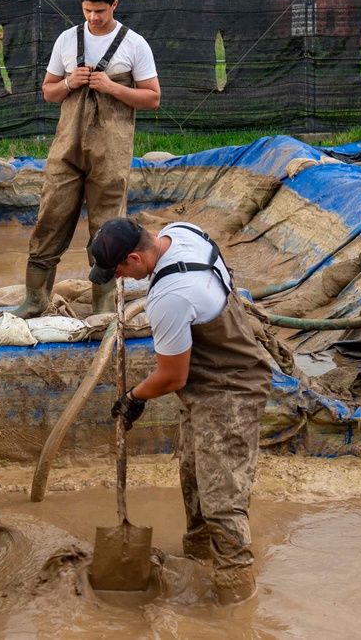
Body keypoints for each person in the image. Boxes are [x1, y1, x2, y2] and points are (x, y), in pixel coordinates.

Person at [89, 217, 272, 606]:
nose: (118, 278)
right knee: (193, 477)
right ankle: (200, 562)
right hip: (205, 385)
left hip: (231, 391)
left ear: (135, 257)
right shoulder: (182, 231)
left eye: (119, 269)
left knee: (222, 498)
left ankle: (236, 600)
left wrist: (133, 398)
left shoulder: (170, 297)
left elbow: (172, 376)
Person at [13, 0, 161, 320]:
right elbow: (49, 92)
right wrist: (68, 81)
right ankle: (35, 299)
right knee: (49, 219)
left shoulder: (134, 44)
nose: (94, 17)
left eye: (100, 11)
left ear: (114, 5)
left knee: (108, 229)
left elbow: (152, 97)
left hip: (111, 154)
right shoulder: (67, 40)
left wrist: (112, 87)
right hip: (67, 151)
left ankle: (103, 306)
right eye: (87, 10)